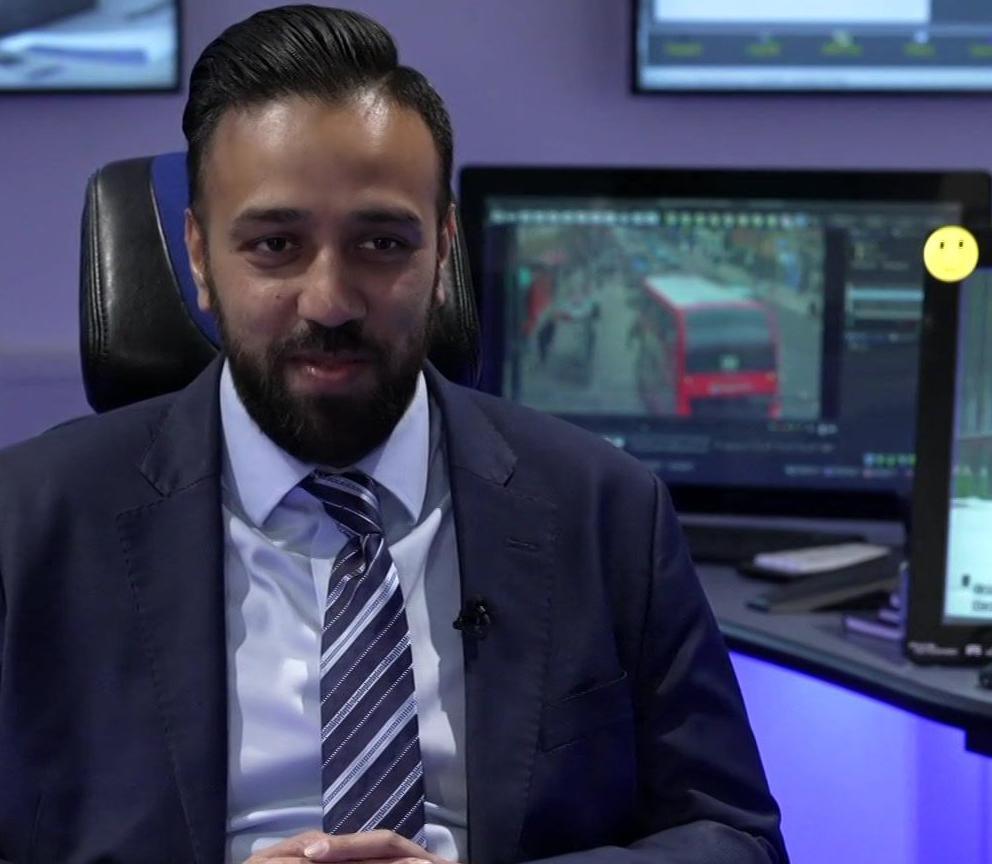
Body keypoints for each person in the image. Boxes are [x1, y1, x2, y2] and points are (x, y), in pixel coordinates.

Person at [0, 8, 784, 864]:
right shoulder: (26, 525)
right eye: (275, 245)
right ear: (197, 255)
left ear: (443, 247)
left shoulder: (606, 511)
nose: (330, 300)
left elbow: (736, 841)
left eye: (380, 242)